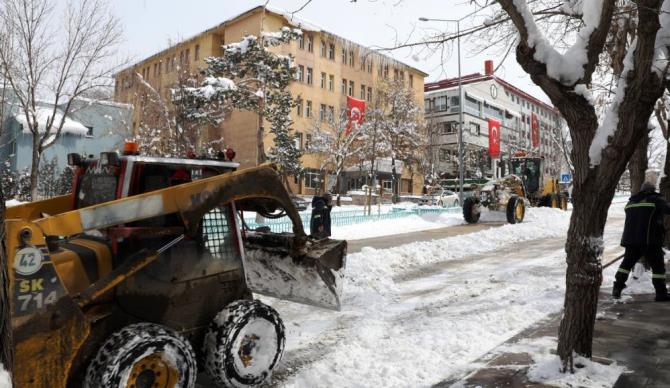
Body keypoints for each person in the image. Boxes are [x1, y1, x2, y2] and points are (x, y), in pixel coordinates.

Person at [614, 181, 670, 301]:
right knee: (658, 268)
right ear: (652, 190)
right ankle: (661, 294)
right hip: (649, 240)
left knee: (626, 265)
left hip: (631, 240)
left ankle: (617, 288)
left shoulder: (631, 202)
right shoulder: (655, 200)